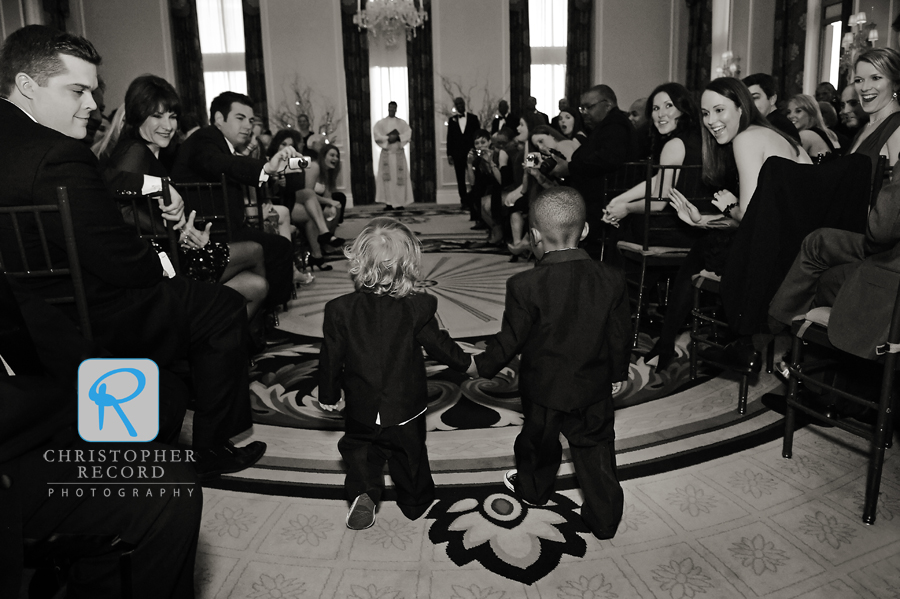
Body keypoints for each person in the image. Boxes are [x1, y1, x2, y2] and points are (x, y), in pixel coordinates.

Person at [0, 25, 267, 475]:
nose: (93, 104)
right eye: (78, 90)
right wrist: (163, 264)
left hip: (28, 312)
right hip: (89, 312)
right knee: (220, 306)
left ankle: (176, 394)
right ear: (27, 86)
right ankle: (212, 447)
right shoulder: (58, 152)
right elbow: (120, 261)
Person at [1, 274, 203, 598]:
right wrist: (69, 398)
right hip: (11, 453)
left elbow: (46, 329)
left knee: (163, 395)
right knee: (167, 488)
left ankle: (81, 555)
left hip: (36, 410)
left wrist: (101, 370)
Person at [474, 187, 631, 540]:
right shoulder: (612, 278)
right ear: (586, 230)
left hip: (544, 389)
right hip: (593, 385)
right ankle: (604, 518)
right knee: (596, 448)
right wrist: (619, 372)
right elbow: (620, 332)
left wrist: (481, 365)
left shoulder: (524, 284)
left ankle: (532, 489)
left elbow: (510, 340)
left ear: (533, 236)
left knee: (537, 443)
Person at [644, 77, 811, 369]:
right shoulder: (778, 136)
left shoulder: (747, 138)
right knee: (707, 242)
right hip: (799, 250)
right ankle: (736, 341)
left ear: (741, 108)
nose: (711, 121)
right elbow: (763, 219)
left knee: (703, 251)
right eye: (706, 114)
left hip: (778, 260)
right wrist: (703, 220)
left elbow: (747, 216)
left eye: (720, 110)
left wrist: (729, 207)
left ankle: (680, 342)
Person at [318, 217, 473, 530]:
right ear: (409, 267)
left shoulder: (339, 309)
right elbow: (440, 345)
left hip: (362, 407)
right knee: (410, 455)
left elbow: (330, 359)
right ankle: (414, 502)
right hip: (405, 407)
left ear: (359, 263)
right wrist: (467, 363)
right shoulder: (419, 307)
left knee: (360, 451)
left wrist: (329, 395)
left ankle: (363, 491)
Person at [106, 74, 270, 318]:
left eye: (172, 116)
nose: (168, 125)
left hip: (172, 251)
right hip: (161, 266)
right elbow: (121, 209)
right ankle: (228, 340)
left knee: (257, 285)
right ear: (138, 115)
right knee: (255, 256)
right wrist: (176, 234)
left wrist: (184, 232)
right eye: (157, 116)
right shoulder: (135, 150)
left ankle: (230, 342)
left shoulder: (153, 152)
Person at [170, 91, 301, 310]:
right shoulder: (206, 138)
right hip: (209, 231)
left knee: (278, 245)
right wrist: (265, 168)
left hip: (224, 225)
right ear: (219, 119)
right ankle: (270, 310)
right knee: (280, 248)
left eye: (250, 120)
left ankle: (268, 310)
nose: (248, 126)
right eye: (240, 118)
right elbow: (219, 163)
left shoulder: (220, 143)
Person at [602, 82, 707, 248]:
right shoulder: (700, 140)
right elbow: (660, 180)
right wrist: (620, 200)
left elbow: (658, 202)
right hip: (700, 227)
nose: (661, 114)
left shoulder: (674, 145)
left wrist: (626, 208)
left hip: (677, 230)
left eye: (668, 106)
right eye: (656, 108)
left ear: (683, 108)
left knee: (620, 230)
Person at [568, 84, 640, 219]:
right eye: (581, 108)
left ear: (607, 105)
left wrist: (569, 167)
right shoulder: (608, 124)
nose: (584, 112)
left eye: (589, 107)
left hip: (606, 203)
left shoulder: (616, 125)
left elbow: (607, 159)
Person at [290, 143, 347, 270]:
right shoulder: (314, 166)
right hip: (297, 199)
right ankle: (324, 235)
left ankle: (317, 255)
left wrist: (330, 205)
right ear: (323, 156)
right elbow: (306, 192)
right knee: (313, 203)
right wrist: (328, 201)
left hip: (311, 205)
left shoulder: (327, 174)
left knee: (332, 208)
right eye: (332, 155)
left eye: (337, 156)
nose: (335, 159)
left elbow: (328, 196)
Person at [847, 48, 900, 174]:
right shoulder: (866, 126)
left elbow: (896, 190)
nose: (864, 88)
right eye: (859, 80)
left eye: (876, 78)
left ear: (895, 84)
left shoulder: (897, 127)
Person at [373, 100, 414, 209]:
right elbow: (377, 135)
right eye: (390, 108)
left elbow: (408, 133)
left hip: (398, 155)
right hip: (386, 155)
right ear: (388, 108)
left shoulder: (402, 123)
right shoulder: (381, 123)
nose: (392, 110)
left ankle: (400, 203)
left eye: (393, 108)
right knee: (388, 181)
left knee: (399, 181)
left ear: (396, 109)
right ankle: (389, 203)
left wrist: (398, 137)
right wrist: (388, 138)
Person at [742, 72, 801, 143]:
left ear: (772, 99)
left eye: (755, 98)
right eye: (746, 99)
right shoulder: (769, 123)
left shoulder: (777, 126)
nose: (749, 103)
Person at [447, 97, 481, 205]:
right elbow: (450, 138)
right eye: (457, 104)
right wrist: (449, 154)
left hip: (471, 153)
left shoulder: (473, 118)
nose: (459, 106)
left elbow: (477, 136)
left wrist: (477, 152)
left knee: (474, 177)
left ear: (464, 104)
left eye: (461, 103)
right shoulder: (452, 121)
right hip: (457, 154)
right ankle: (464, 201)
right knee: (460, 179)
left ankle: (474, 199)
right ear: (455, 106)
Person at [786, 93, 841, 160]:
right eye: (788, 112)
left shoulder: (805, 135)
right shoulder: (830, 133)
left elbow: (790, 163)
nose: (790, 116)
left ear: (811, 113)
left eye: (798, 111)